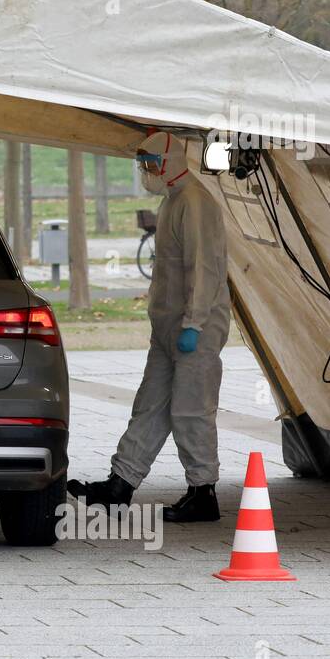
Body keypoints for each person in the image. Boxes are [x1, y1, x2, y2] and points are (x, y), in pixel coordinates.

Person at [67, 132, 231, 523]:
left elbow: (204, 269)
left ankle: (202, 491)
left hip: (195, 327)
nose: (147, 172)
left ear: (171, 161)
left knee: (192, 410)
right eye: (143, 165)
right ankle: (120, 483)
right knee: (150, 406)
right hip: (170, 328)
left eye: (151, 164)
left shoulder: (195, 202)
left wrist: (194, 323)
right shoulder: (174, 200)